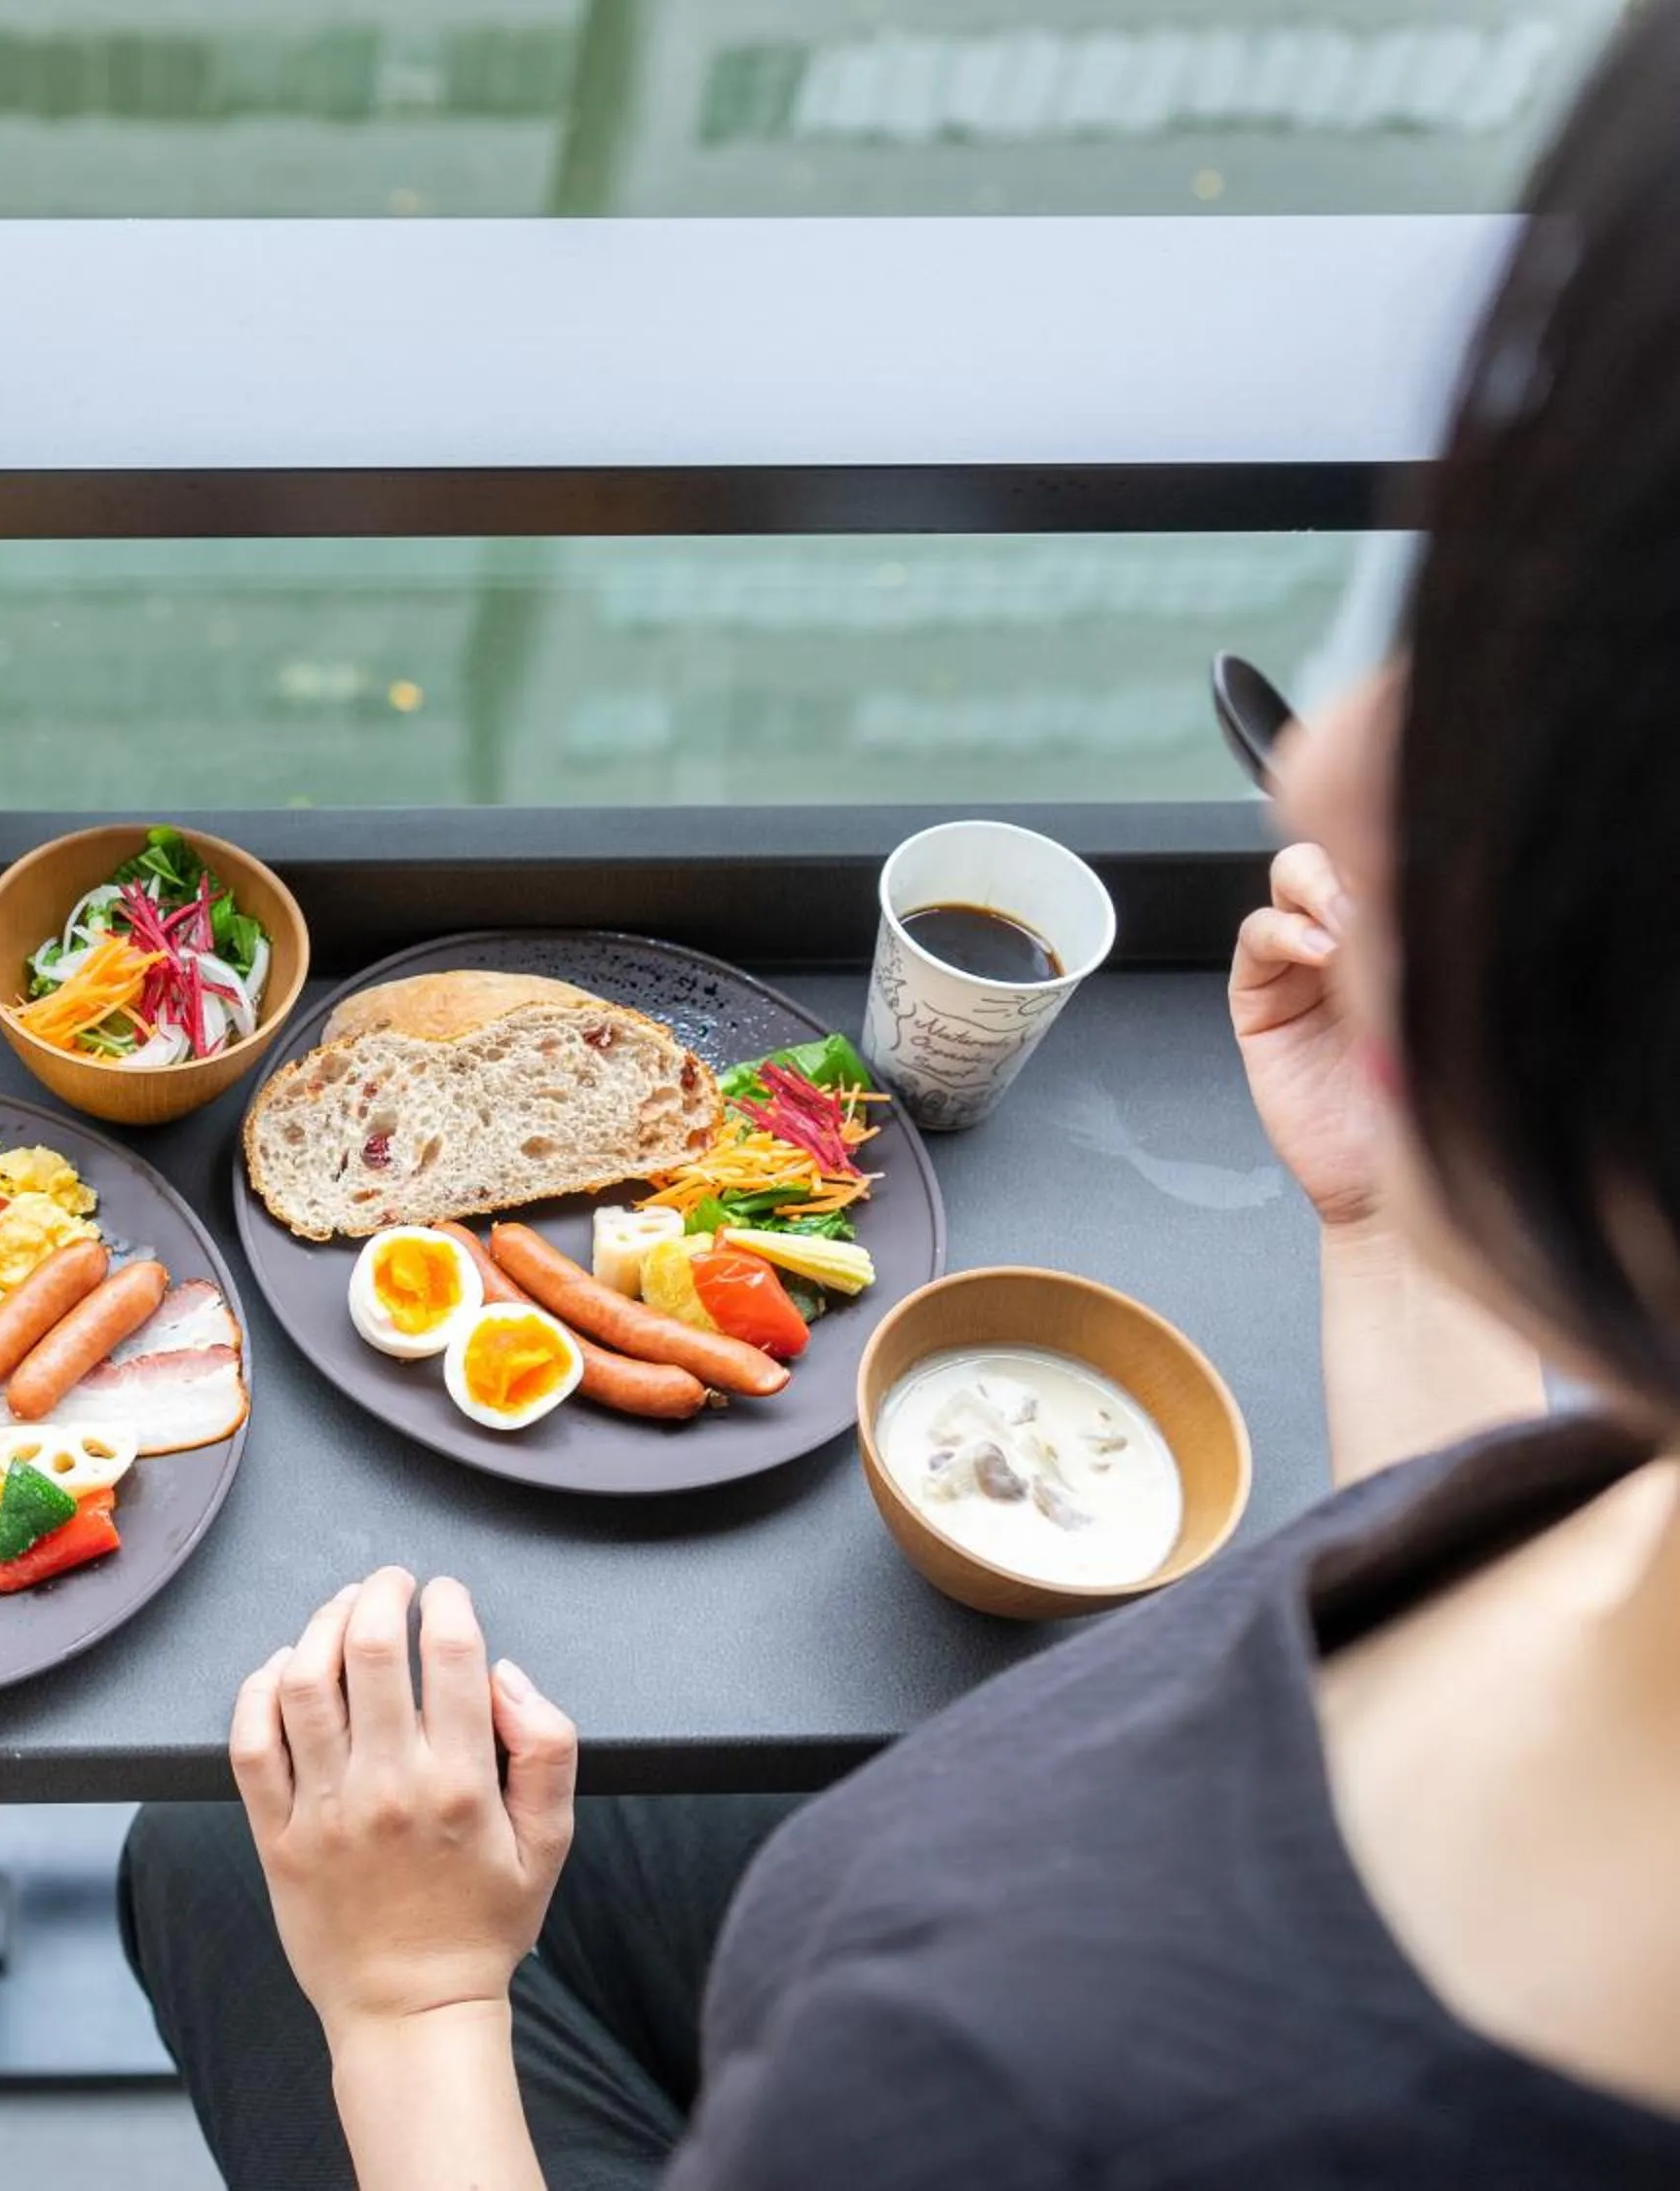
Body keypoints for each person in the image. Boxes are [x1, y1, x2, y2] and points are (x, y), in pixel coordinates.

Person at [122, 9, 1680, 2184]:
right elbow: (1491, 1610)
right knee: (206, 1865)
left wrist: (413, 2001)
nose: (1321, 766)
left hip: (893, 2002)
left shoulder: (1001, 2086)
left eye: (1526, 673)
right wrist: (1398, 1233)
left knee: (229, 1874)